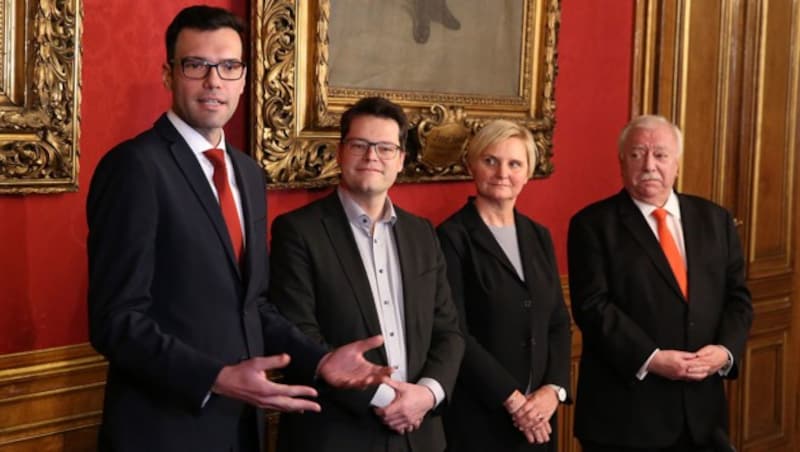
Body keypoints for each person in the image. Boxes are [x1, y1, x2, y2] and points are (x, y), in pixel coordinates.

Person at [86, 6, 391, 452]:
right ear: (169, 74)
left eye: (229, 66)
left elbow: (254, 307)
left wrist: (320, 360)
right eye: (197, 65)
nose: (214, 81)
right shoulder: (135, 166)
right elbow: (116, 321)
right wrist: (216, 378)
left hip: (240, 429)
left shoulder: (246, 173)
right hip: (162, 431)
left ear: (244, 78)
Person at [269, 96, 465, 452]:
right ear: (341, 152)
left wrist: (427, 394)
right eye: (360, 145)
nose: (372, 156)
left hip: (420, 434)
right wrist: (384, 398)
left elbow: (448, 331)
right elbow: (298, 333)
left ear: (401, 160)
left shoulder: (423, 234)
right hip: (339, 434)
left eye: (385, 148)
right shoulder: (298, 232)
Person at [567, 115, 753, 451]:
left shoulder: (716, 220)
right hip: (626, 416)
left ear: (677, 163)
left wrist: (724, 351)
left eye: (661, 155)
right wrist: (652, 358)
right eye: (638, 154)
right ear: (622, 162)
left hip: (703, 414)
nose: (650, 165)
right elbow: (592, 307)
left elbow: (738, 298)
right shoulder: (592, 225)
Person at [436, 120, 571, 451]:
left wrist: (553, 391)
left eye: (515, 164)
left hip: (540, 417)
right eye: (490, 160)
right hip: (480, 414)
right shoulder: (451, 236)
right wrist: (512, 400)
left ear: (527, 174)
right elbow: (456, 332)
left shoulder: (539, 235)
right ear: (472, 165)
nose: (502, 172)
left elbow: (557, 321)